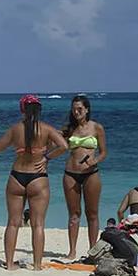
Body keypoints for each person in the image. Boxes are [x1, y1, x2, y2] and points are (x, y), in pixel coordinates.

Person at [0, 95, 67, 270]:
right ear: (39, 110)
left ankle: (9, 264)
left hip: (17, 176)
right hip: (37, 178)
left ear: (22, 109)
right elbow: (63, 146)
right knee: (38, 224)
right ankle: (37, 265)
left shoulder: (15, 129)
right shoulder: (46, 129)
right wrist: (47, 157)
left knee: (13, 223)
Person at [59, 95, 108, 259]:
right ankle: (72, 251)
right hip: (70, 173)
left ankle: (92, 250)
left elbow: (103, 152)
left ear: (87, 109)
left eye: (80, 109)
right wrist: (45, 158)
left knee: (92, 213)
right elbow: (57, 146)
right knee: (73, 214)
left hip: (91, 174)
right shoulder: (69, 129)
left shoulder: (97, 128)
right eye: (74, 109)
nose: (76, 112)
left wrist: (95, 160)